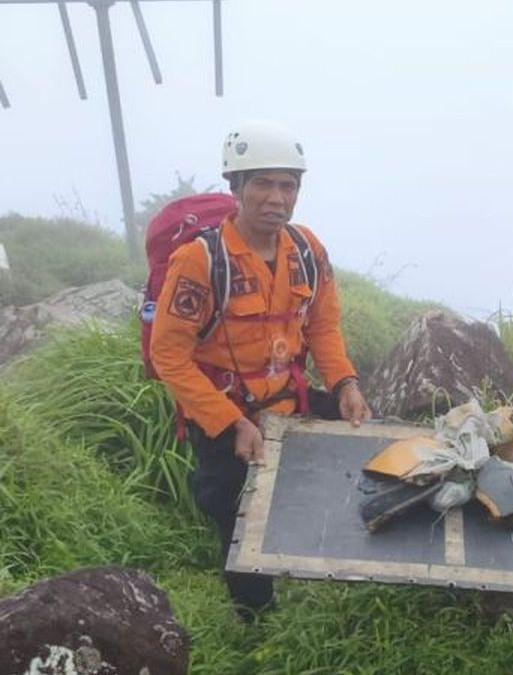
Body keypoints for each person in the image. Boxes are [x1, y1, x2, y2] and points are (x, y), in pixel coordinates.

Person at [150, 120, 371, 619]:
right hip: (224, 415)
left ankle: (325, 572)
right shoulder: (200, 262)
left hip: (288, 399)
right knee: (236, 517)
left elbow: (323, 327)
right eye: (263, 183)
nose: (277, 197)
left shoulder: (308, 251)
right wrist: (232, 423)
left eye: (288, 185)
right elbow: (170, 356)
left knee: (347, 463)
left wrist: (344, 383)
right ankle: (254, 618)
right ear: (236, 188)